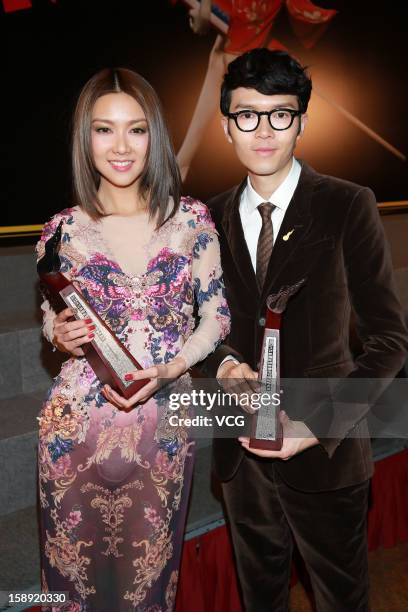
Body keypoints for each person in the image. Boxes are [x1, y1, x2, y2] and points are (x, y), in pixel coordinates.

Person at [200, 49, 408, 611]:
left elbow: (390, 341)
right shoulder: (205, 220)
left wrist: (315, 425)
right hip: (240, 452)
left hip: (327, 454)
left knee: (342, 599)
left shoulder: (348, 205)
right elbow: (199, 330)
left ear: (302, 123)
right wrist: (219, 361)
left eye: (280, 114)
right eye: (247, 115)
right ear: (226, 126)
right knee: (260, 597)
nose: (263, 131)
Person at [35, 67, 230, 611]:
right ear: (85, 138)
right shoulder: (61, 231)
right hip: (74, 427)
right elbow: (54, 320)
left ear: (155, 137)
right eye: (104, 129)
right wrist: (59, 332)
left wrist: (172, 369)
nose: (121, 146)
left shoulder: (191, 219)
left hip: (162, 423)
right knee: (72, 584)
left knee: (148, 583)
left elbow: (216, 319)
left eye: (136, 129)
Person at [175, 0, 337, 180]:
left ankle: (181, 164)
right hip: (237, 40)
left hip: (254, 41)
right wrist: (205, 9)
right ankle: (181, 165)